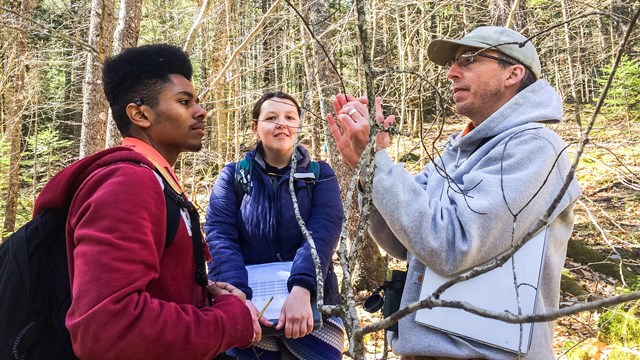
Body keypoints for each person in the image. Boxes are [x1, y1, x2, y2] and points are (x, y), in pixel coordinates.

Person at [326, 26, 581, 359]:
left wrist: (378, 165)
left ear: (513, 73)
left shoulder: (535, 148)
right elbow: (402, 241)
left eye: (469, 60)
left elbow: (452, 245)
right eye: (453, 63)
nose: (451, 72)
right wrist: (368, 171)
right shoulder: (456, 151)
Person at [33, 44, 256, 359]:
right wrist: (230, 320)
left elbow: (148, 291)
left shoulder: (156, 181)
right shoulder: (130, 185)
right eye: (184, 101)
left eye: (197, 101)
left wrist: (205, 295)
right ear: (140, 114)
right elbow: (107, 329)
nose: (201, 111)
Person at [205, 91, 345, 359]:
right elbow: (220, 236)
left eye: (290, 117)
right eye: (271, 117)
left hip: (312, 303)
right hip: (250, 307)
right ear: (255, 127)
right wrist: (237, 299)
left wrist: (303, 289)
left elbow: (324, 232)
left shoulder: (320, 174)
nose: (282, 123)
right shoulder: (233, 176)